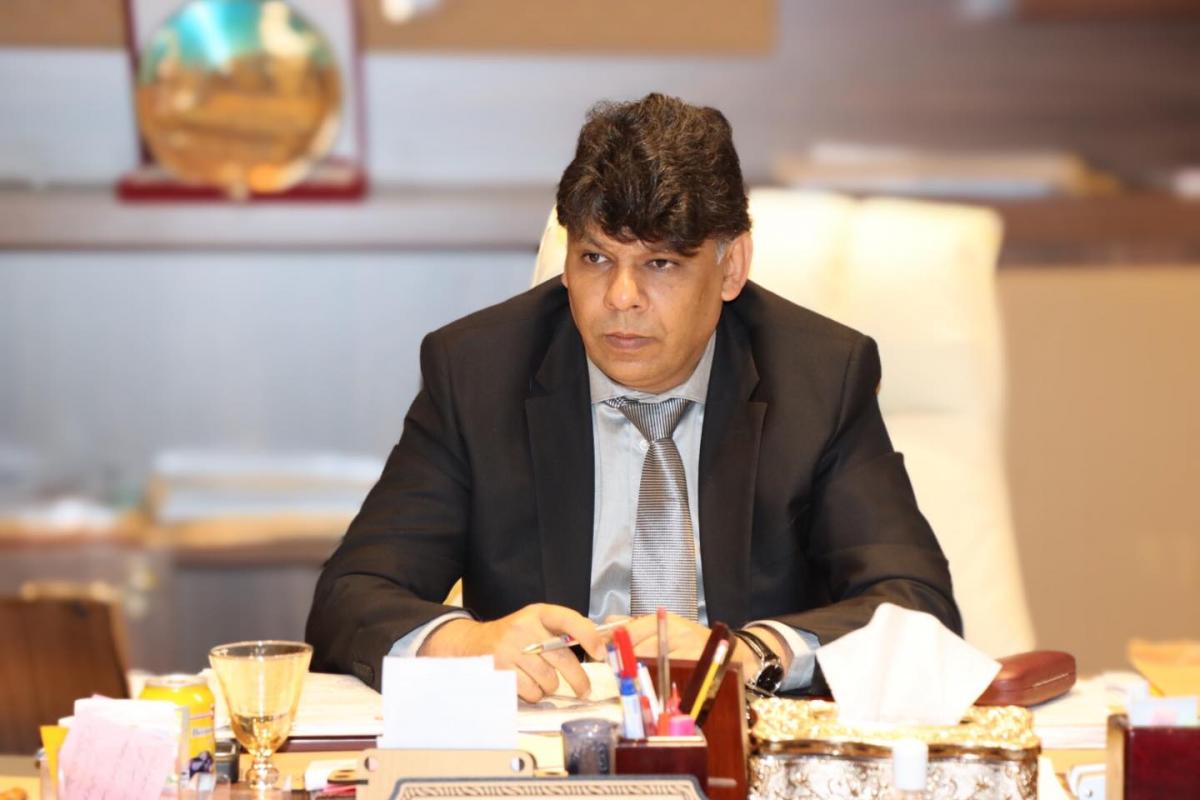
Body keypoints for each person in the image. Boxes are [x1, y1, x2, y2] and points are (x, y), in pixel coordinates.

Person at [306, 93, 960, 702]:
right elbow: (350, 596)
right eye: (595, 259)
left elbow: (916, 607)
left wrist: (749, 653)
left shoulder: (819, 378)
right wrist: (465, 645)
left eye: (660, 264)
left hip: (741, 742)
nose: (621, 298)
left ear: (731, 267)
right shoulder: (478, 372)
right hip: (546, 744)